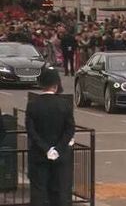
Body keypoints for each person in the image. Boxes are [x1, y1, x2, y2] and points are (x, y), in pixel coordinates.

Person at [25, 68, 75, 206]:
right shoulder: (64, 104)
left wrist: (46, 149)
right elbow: (70, 129)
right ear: (56, 85)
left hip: (39, 155)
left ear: (41, 85)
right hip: (61, 156)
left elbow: (31, 131)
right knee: (59, 193)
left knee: (38, 192)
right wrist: (57, 149)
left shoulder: (32, 104)